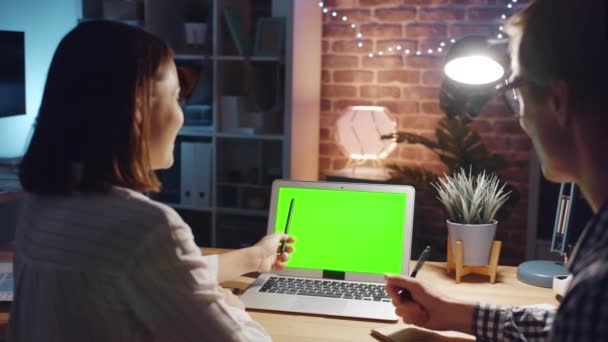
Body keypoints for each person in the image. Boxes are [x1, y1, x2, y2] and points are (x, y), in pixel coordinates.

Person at [8, 20, 293, 341]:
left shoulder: (43, 204)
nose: (181, 115)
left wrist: (252, 258)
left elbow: (151, 273)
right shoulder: (146, 228)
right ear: (137, 107)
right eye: (176, 97)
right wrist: (232, 307)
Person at [385, 0, 608, 341]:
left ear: (558, 101)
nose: (520, 118)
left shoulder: (597, 288)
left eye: (516, 92)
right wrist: (455, 313)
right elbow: (563, 323)